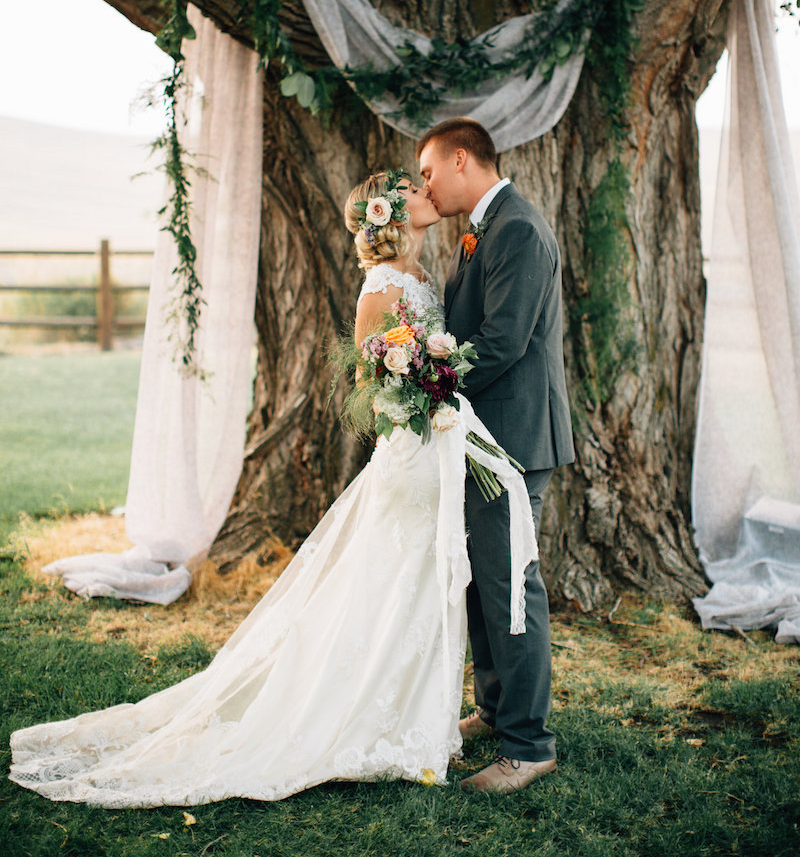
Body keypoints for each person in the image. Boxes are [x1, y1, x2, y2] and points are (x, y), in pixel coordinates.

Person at [8, 171, 533, 807]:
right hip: (412, 450)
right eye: (412, 187)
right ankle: (362, 716)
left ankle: (411, 716)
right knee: (391, 582)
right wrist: (422, 390)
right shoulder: (382, 286)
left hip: (439, 450)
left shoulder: (425, 276)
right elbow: (372, 385)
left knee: (423, 583)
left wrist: (437, 385)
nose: (427, 191)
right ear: (394, 212)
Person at [417, 118, 575, 793]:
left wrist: (431, 386)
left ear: (460, 160)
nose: (423, 184)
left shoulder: (516, 229)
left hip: (510, 442)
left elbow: (503, 341)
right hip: (483, 438)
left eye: (427, 172)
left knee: (512, 588)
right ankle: (495, 706)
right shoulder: (479, 232)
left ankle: (529, 746)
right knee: (484, 581)